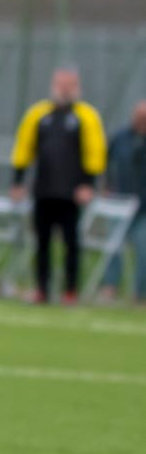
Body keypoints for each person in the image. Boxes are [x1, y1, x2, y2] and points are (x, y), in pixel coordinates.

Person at [11, 67, 106, 304]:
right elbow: (24, 147)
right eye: (60, 84)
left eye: (69, 85)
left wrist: (88, 184)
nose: (64, 89)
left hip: (71, 193)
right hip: (44, 189)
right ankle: (42, 289)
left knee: (71, 243)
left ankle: (70, 290)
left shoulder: (86, 116)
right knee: (41, 242)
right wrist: (17, 181)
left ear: (76, 87)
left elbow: (94, 151)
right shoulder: (38, 114)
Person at [100, 101, 146, 304]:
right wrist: (107, 185)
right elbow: (105, 161)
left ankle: (140, 294)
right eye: (139, 117)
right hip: (120, 204)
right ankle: (110, 288)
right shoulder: (121, 137)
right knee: (113, 247)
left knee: (143, 248)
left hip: (144, 207)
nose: (142, 121)